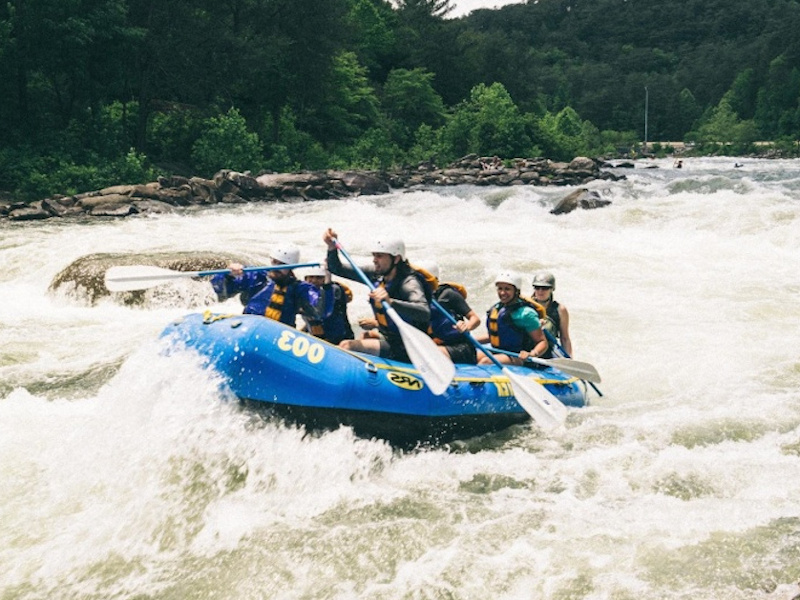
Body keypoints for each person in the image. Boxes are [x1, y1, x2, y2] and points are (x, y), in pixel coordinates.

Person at [322, 228, 431, 363]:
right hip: (390, 339)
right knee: (364, 337)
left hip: (409, 347)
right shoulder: (376, 274)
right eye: (374, 255)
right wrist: (332, 248)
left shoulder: (409, 283)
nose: (374, 260)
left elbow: (424, 312)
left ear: (396, 259)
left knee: (346, 345)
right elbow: (336, 268)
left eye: (379, 256)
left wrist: (391, 302)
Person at [210, 245, 323, 326]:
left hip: (279, 336)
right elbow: (221, 292)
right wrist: (227, 275)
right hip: (249, 326)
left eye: (282, 265)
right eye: (274, 262)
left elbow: (320, 309)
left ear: (291, 267)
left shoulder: (300, 288)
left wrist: (326, 285)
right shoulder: (256, 277)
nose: (276, 267)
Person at [476, 271, 548, 366]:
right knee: (473, 357)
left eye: (507, 289)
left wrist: (532, 354)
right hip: (498, 351)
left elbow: (542, 342)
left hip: (518, 355)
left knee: (486, 362)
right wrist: (468, 339)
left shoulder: (526, 314)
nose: (502, 292)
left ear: (516, 291)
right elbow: (496, 335)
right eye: (500, 288)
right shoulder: (497, 308)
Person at [420, 261, 481, 364]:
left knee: (430, 353)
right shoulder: (416, 299)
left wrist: (466, 326)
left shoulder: (448, 295)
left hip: (460, 347)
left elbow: (475, 319)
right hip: (435, 345)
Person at [300, 264, 355, 345]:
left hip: (339, 342)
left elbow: (322, 310)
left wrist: (327, 285)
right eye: (311, 277)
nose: (314, 281)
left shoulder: (334, 291)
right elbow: (312, 319)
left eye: (319, 277)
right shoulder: (305, 293)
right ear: (305, 279)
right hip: (319, 341)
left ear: (325, 279)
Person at [531, 271, 572, 357]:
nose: (540, 291)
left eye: (544, 288)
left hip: (548, 352)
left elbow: (565, 338)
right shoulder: (526, 306)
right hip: (528, 350)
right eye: (537, 288)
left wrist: (569, 359)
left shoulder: (560, 310)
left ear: (552, 289)